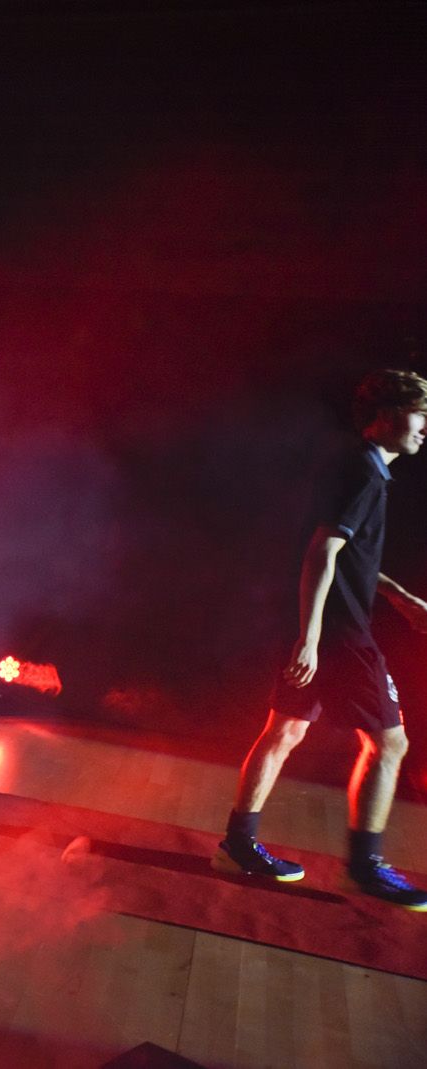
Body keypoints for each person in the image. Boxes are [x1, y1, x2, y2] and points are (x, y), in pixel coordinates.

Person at [216, 368, 427, 910]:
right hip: (338, 635)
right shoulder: (363, 471)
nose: (426, 426)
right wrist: (311, 639)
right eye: (418, 413)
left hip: (324, 630)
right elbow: (322, 552)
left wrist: (398, 595)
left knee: (283, 730)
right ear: (384, 417)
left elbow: (351, 558)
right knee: (390, 743)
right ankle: (364, 868)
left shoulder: (366, 471)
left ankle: (238, 845)